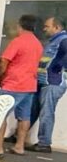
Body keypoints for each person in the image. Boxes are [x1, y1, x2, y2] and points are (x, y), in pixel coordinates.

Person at [0, 14, 43, 156]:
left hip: (13, 84)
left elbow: (4, 61)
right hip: (29, 85)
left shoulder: (18, 41)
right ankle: (19, 146)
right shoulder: (38, 44)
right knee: (24, 117)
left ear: (20, 25)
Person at [26, 16, 67, 153]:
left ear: (57, 27)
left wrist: (57, 66)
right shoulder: (54, 41)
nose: (44, 29)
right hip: (44, 81)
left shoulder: (63, 39)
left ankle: (44, 143)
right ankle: (19, 136)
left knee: (46, 113)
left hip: (53, 82)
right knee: (33, 109)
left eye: (47, 26)